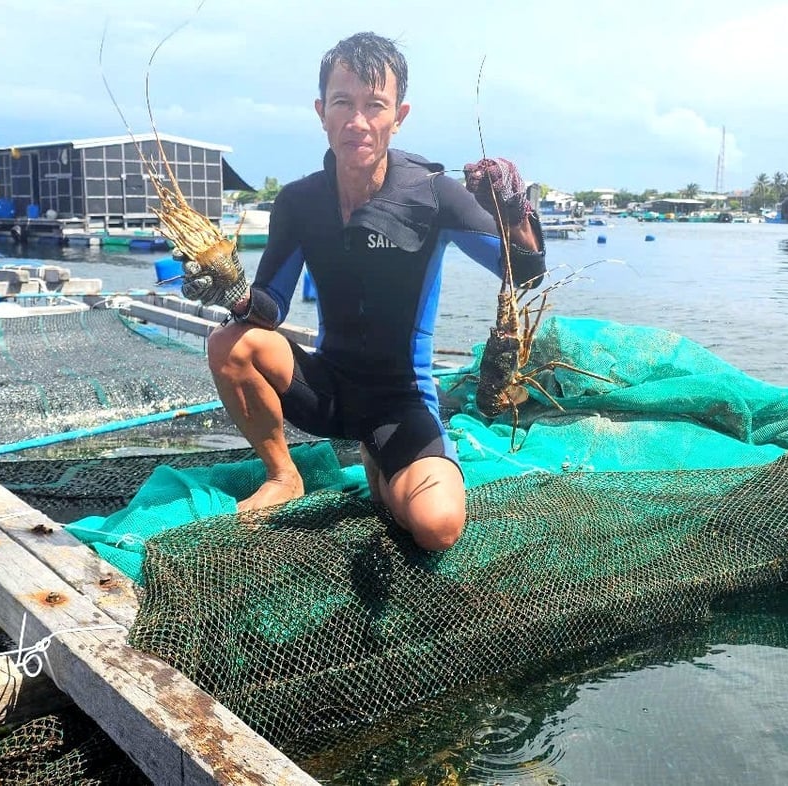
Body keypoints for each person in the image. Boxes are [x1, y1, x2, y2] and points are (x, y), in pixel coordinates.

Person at [182, 32, 546, 551]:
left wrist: (516, 209)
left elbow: (525, 272)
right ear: (321, 111)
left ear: (399, 115)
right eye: (342, 103)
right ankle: (283, 475)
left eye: (375, 105)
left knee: (437, 527)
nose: (358, 121)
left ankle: (385, 462)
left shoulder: (433, 194)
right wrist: (231, 291)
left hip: (402, 399)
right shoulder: (300, 201)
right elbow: (270, 307)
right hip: (329, 386)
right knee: (229, 342)